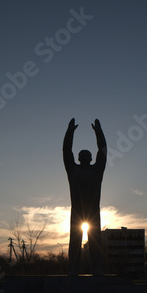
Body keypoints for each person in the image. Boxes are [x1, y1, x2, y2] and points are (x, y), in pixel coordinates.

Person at [63, 118, 107, 276]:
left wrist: (99, 132)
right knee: (74, 242)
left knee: (96, 243)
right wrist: (70, 132)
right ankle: (73, 269)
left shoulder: (97, 170)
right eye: (82, 155)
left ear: (90, 158)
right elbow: (66, 151)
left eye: (86, 155)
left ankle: (97, 269)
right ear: (79, 158)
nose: (84, 156)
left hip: (93, 211)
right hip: (77, 211)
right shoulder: (73, 170)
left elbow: (103, 150)